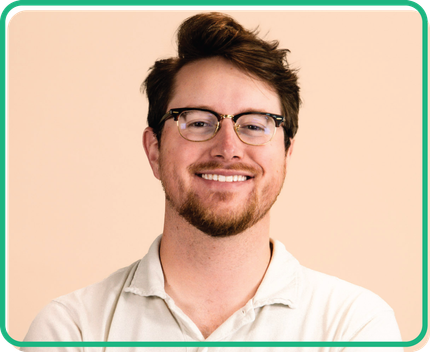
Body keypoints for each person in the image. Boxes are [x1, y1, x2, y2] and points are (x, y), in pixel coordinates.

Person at [21, 12, 403, 351]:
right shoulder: (72, 331)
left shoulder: (353, 328)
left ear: (286, 153)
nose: (227, 148)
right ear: (154, 150)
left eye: (254, 125)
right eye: (199, 122)